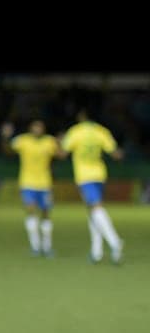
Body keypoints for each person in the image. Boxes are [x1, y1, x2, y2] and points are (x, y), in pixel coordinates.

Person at [60, 109, 125, 264]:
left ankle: (115, 241)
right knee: (92, 212)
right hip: (100, 174)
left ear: (81, 117)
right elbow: (116, 154)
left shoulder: (76, 131)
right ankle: (96, 252)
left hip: (84, 176)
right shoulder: (102, 131)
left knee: (96, 208)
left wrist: (59, 141)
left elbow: (62, 154)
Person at [1, 119, 59, 256]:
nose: (37, 130)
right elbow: (7, 151)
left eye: (40, 127)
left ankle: (47, 246)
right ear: (30, 129)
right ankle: (35, 246)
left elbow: (61, 154)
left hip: (45, 183)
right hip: (28, 183)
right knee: (31, 210)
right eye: (35, 127)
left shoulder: (49, 141)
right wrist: (5, 137)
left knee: (45, 213)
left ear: (43, 129)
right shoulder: (23, 140)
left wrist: (60, 143)